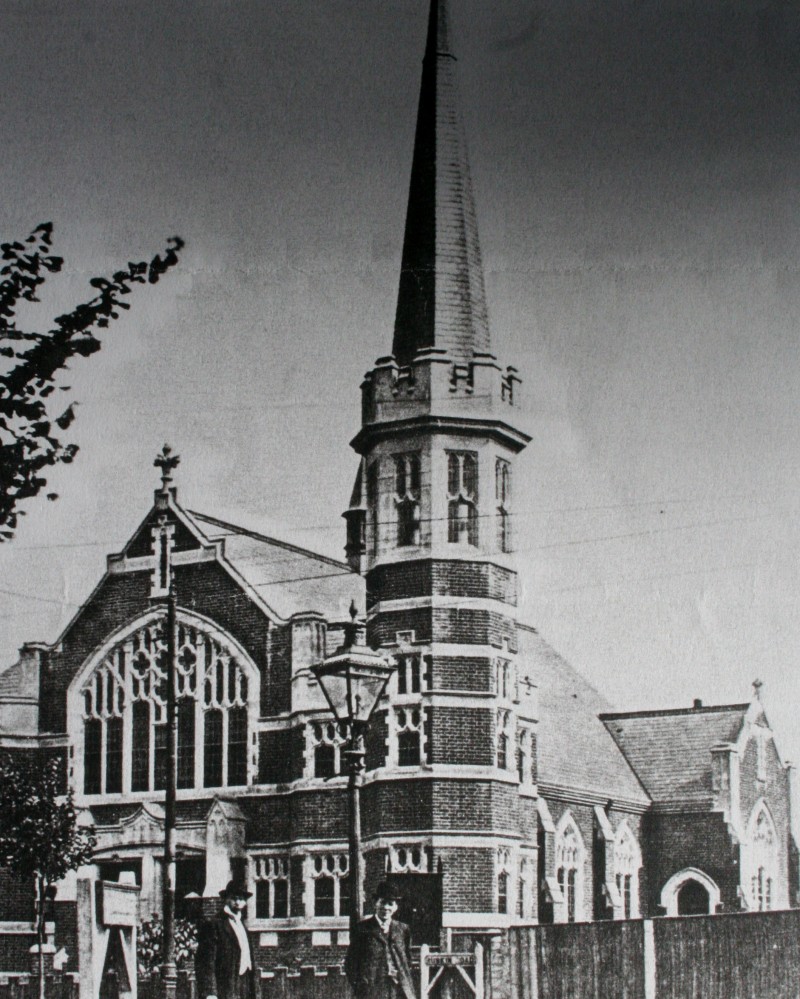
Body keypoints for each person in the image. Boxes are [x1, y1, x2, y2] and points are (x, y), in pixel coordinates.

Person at [345, 881, 417, 999]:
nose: (386, 907)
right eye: (382, 902)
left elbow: (407, 959)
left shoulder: (403, 929)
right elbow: (351, 963)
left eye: (390, 903)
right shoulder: (362, 929)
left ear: (395, 907)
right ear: (376, 904)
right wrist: (362, 987)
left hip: (399, 991)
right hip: (372, 992)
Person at [195, 879, 257, 999]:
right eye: (234, 898)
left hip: (244, 986)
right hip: (224, 988)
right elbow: (206, 962)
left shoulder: (243, 927)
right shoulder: (214, 924)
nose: (238, 902)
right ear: (226, 899)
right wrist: (210, 993)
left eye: (241, 899)